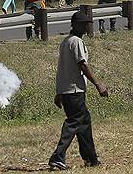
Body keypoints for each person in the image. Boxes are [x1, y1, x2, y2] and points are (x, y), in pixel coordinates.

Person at [48, 11, 108, 170]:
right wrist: (98, 84)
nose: (85, 26)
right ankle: (57, 157)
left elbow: (63, 69)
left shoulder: (66, 41)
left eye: (86, 23)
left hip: (68, 90)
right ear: (74, 24)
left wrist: (59, 92)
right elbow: (83, 64)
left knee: (84, 123)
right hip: (74, 91)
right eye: (82, 23)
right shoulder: (76, 42)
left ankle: (91, 158)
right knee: (74, 122)